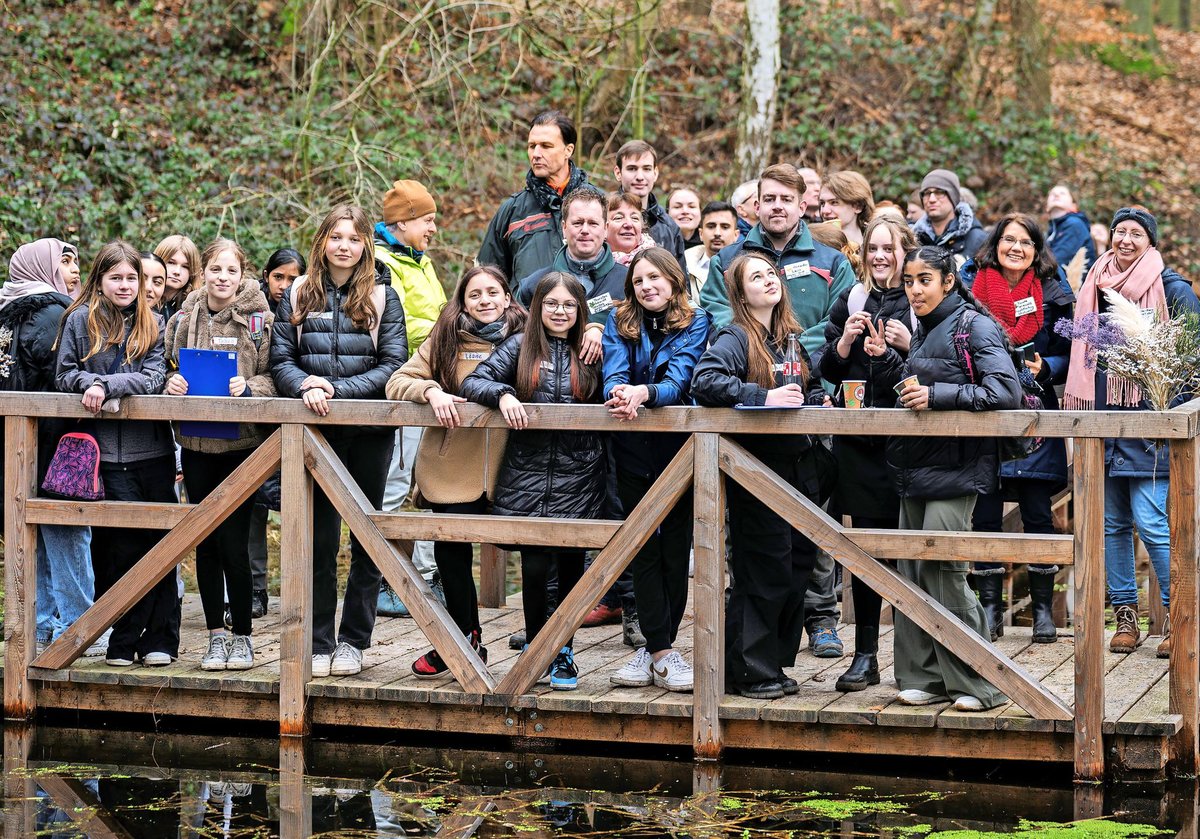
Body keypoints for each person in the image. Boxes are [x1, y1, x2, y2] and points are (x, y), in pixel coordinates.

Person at [866, 246, 1020, 711]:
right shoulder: (922, 329)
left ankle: (981, 681)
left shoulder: (975, 325)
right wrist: (888, 362)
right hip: (913, 466)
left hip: (958, 468)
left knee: (945, 571)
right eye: (909, 281)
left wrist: (937, 395)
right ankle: (925, 677)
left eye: (924, 280)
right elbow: (924, 383)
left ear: (948, 281)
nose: (914, 290)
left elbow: (1004, 391)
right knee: (912, 573)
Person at [271, 204, 408, 678]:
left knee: (367, 536)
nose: (343, 246)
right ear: (322, 242)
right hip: (315, 433)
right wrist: (305, 386)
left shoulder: (383, 296)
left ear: (366, 244)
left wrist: (336, 389)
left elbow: (393, 365)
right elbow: (280, 360)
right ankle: (318, 641)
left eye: (353, 238)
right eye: (335, 237)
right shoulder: (298, 294)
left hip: (369, 433)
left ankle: (353, 641)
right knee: (320, 538)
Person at [1062, 206, 1200, 657]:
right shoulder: (1095, 287)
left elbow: (1193, 358)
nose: (1124, 239)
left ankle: (1179, 616)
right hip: (1102, 425)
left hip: (1149, 429)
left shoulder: (1173, 289)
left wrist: (1167, 406)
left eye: (1135, 233)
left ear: (1151, 241)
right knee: (1113, 525)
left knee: (1152, 523)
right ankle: (1126, 617)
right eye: (1118, 231)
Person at [691, 253, 828, 699]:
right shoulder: (734, 336)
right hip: (756, 469)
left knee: (798, 566)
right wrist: (763, 397)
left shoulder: (789, 339)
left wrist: (819, 400)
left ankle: (773, 663)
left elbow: (809, 387)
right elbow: (705, 381)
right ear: (740, 293)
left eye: (771, 274)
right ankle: (747, 670)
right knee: (764, 568)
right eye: (756, 277)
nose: (768, 281)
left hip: (800, 468)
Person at [460, 272, 605, 691]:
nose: (560, 312)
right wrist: (503, 394)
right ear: (538, 306)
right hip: (527, 473)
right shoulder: (520, 346)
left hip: (579, 474)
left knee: (572, 566)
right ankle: (535, 647)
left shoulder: (591, 348)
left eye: (569, 305)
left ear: (580, 310)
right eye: (551, 304)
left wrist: (599, 330)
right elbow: (473, 380)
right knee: (535, 566)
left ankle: (563, 651)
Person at [386, 265, 526, 678]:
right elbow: (398, 381)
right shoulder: (446, 337)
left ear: (507, 297)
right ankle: (465, 640)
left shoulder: (529, 336)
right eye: (474, 294)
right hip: (450, 467)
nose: (485, 300)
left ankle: (547, 646)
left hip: (513, 469)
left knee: (538, 553)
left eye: (492, 292)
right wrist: (430, 391)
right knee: (451, 555)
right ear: (462, 302)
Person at [55, 241, 177, 667]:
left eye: (131, 278)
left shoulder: (154, 322)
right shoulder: (78, 321)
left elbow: (155, 377)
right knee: (120, 550)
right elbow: (64, 374)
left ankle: (162, 638)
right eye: (116, 278)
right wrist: (87, 381)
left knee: (163, 545)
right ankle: (122, 642)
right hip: (103, 455)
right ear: (100, 279)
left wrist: (106, 385)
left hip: (153, 451)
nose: (124, 286)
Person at [163, 238, 275, 671]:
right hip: (195, 445)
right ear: (203, 272)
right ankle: (214, 636)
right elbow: (168, 366)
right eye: (215, 269)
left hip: (240, 447)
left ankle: (243, 635)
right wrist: (171, 382)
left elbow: (273, 376)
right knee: (205, 542)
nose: (222, 277)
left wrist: (249, 387)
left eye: (231, 270)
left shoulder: (259, 319)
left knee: (234, 543)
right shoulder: (184, 315)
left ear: (242, 274)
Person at [603, 248, 711, 692]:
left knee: (675, 547)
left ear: (673, 280)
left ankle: (656, 649)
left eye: (655, 278)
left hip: (677, 447)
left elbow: (680, 379)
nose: (647, 286)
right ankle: (661, 651)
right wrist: (619, 392)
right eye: (639, 280)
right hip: (631, 446)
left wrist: (642, 393)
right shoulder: (619, 320)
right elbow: (613, 370)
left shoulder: (696, 321)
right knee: (644, 546)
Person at [963, 214, 1074, 644]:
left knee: (1038, 511)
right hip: (986, 409)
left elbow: (1070, 349)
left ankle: (1042, 611)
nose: (1016, 247)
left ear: (1036, 249)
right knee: (985, 512)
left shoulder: (1053, 292)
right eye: (1008, 239)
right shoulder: (970, 287)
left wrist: (1048, 367)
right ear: (995, 244)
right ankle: (990, 609)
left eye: (1025, 242)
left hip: (1035, 412)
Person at [818, 216, 917, 691]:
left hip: (910, 445)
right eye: (873, 248)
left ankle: (917, 661)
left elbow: (941, 365)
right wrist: (844, 342)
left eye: (888, 249)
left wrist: (907, 345)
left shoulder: (919, 298)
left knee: (913, 553)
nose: (879, 256)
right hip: (859, 445)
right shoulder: (853, 298)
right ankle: (865, 655)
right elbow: (826, 369)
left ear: (905, 252)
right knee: (865, 553)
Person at [1, 239, 103, 657]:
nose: (75, 269)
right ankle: (79, 628)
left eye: (76, 261)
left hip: (17, 445)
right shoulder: (55, 315)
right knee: (66, 528)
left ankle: (40, 625)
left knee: (37, 533)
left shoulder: (7, 311)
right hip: (54, 443)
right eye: (64, 261)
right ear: (41, 267)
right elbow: (66, 375)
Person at [374, 179, 448, 616]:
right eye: (427, 220)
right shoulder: (383, 264)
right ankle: (380, 579)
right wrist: (448, 332)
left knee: (431, 483)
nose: (433, 229)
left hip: (432, 385)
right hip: (403, 386)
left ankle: (424, 576)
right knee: (394, 484)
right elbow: (397, 323)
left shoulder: (420, 261)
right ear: (403, 222)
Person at [700, 163, 857, 363]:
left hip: (813, 375)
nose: (777, 206)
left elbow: (839, 320)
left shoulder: (834, 264)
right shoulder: (725, 262)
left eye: (786, 199)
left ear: (801, 208)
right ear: (757, 207)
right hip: (746, 372)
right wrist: (754, 346)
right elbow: (715, 311)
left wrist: (794, 352)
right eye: (769, 199)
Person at [246, 247, 306, 619]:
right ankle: (255, 589)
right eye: (278, 277)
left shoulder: (310, 309)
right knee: (252, 508)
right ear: (266, 276)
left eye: (292, 278)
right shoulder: (250, 312)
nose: (284, 285)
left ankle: (301, 592)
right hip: (256, 423)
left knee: (301, 508)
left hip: (299, 421)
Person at [478, 110, 590, 288]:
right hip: (527, 306)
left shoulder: (598, 204)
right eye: (532, 146)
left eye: (546, 146)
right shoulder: (512, 211)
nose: (536, 153)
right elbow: (485, 279)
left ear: (568, 150)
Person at [515, 186, 626, 363]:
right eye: (578, 223)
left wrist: (602, 330)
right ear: (564, 227)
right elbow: (515, 342)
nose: (585, 230)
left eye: (593, 223)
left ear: (605, 229)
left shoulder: (629, 283)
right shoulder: (533, 286)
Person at [612, 141, 686, 265]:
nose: (640, 177)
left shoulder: (668, 226)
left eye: (646, 169)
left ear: (655, 173)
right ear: (618, 173)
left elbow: (680, 274)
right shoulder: (603, 217)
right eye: (632, 169)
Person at [912, 169, 988, 261]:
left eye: (939, 192)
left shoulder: (979, 240)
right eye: (927, 193)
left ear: (953, 197)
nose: (932, 199)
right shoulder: (913, 239)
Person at [684, 201, 738, 304]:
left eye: (725, 227)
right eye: (711, 226)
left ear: (736, 235)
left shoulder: (747, 267)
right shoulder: (684, 265)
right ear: (701, 233)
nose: (717, 233)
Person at [1045, 184, 1097, 276]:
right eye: (1052, 194)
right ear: (1046, 207)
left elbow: (1056, 261)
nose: (1056, 195)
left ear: (1074, 206)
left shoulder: (1074, 224)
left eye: (1062, 193)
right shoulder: (1052, 231)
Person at [154, 235, 201, 323]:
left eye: (185, 266)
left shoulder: (196, 307)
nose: (177, 271)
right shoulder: (137, 299)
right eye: (171, 263)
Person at [819, 170, 874, 246]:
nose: (825, 210)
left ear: (858, 206)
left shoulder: (876, 243)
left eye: (834, 202)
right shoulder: (815, 245)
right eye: (822, 203)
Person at [606, 191, 656, 266]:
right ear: (603, 226)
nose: (629, 224)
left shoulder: (658, 262)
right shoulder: (591, 263)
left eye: (634, 218)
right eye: (618, 218)